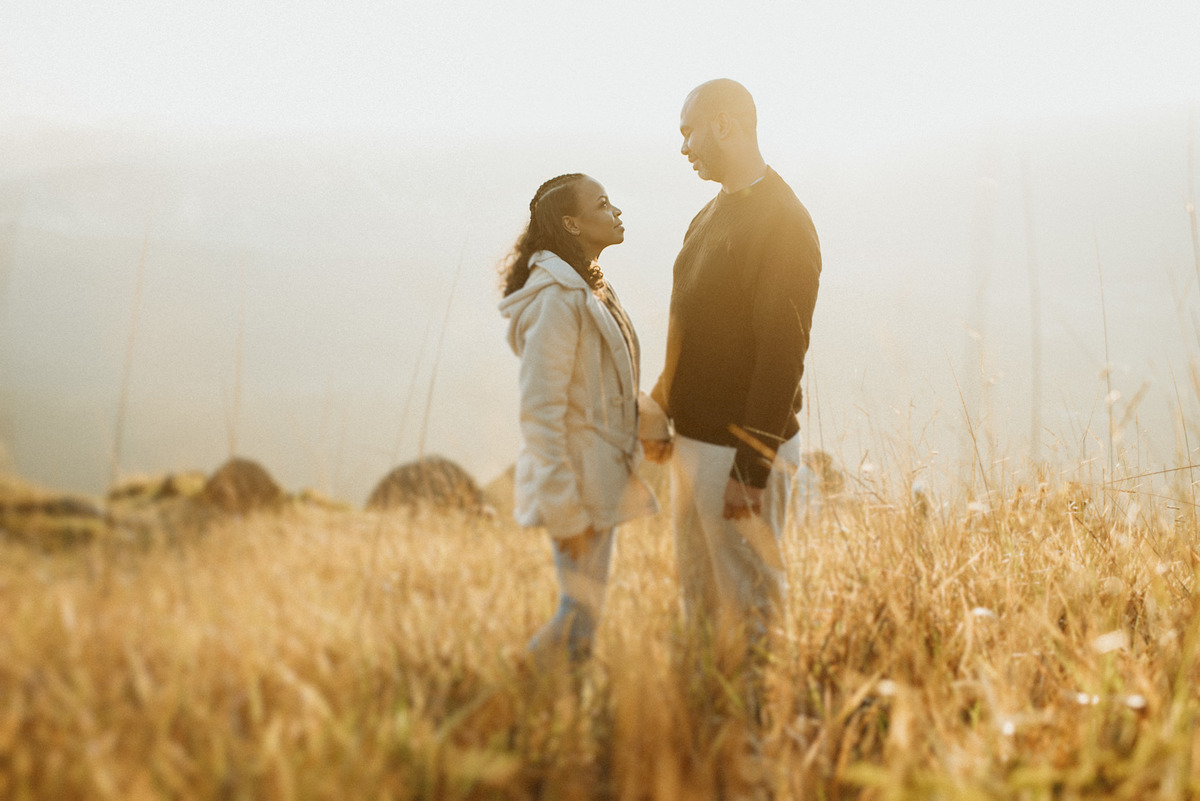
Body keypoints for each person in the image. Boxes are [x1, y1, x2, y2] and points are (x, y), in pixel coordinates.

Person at [643, 80, 822, 683]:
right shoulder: (710, 213)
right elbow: (689, 324)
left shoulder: (784, 222)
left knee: (751, 604)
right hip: (694, 447)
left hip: (738, 455)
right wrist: (660, 405)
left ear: (724, 125)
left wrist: (752, 469)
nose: (684, 147)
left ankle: (760, 718)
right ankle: (705, 709)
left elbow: (782, 357)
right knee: (698, 596)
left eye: (689, 131)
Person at [499, 173, 659, 669]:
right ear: (571, 224)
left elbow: (611, 381)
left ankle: (563, 698)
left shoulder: (589, 284)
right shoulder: (558, 299)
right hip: (575, 481)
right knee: (579, 612)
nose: (617, 212)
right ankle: (519, 688)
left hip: (597, 474)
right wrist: (564, 510)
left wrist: (652, 425)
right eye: (603, 204)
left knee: (586, 613)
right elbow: (540, 410)